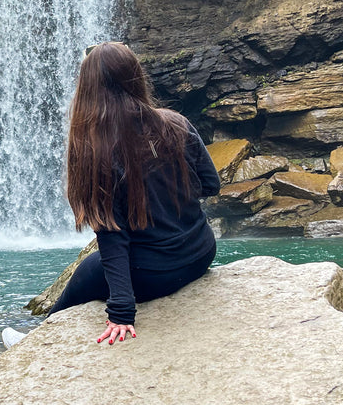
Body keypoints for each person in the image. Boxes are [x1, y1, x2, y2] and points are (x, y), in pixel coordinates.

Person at [48, 42, 221, 345]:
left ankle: (41, 337)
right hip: (201, 253)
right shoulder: (175, 122)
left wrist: (122, 312)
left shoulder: (95, 148)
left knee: (91, 266)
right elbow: (210, 185)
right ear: (135, 77)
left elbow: (112, 236)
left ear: (88, 88)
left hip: (154, 275)